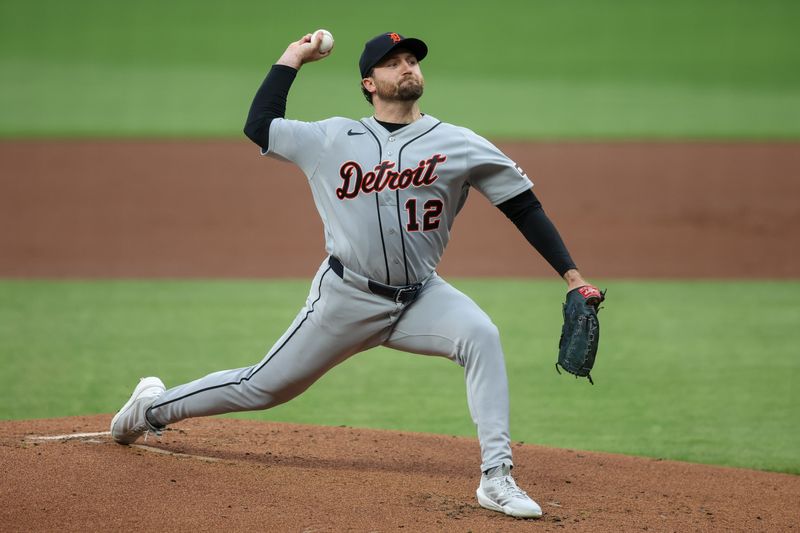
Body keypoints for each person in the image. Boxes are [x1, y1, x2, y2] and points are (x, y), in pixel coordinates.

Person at [110, 31, 597, 519]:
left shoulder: (459, 143)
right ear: (369, 83)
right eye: (393, 63)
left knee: (481, 336)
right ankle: (150, 408)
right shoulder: (331, 137)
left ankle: (497, 477)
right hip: (344, 298)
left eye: (411, 60)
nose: (406, 67)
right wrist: (293, 57)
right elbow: (260, 125)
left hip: (420, 298)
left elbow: (523, 206)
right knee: (262, 387)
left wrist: (572, 276)